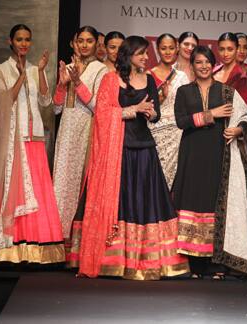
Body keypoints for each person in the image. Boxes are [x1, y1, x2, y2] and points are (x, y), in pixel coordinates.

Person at [75, 36, 189, 280]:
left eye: (146, 54)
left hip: (144, 148)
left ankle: (148, 260)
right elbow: (102, 114)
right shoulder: (110, 79)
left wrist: (151, 111)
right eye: (141, 54)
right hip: (120, 151)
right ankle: (115, 260)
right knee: (123, 204)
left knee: (146, 204)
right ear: (128, 55)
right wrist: (132, 110)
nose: (146, 58)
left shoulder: (148, 79)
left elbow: (155, 116)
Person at [0, 24, 65, 264]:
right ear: (11, 41)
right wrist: (22, 75)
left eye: (27, 40)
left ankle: (36, 247)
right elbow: (1, 103)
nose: (24, 44)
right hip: (12, 138)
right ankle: (8, 245)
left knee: (37, 191)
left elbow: (46, 101)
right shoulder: (0, 70)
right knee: (11, 190)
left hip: (34, 136)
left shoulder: (36, 69)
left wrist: (41, 72)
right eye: (19, 39)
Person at [173, 45, 247, 279]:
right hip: (192, 153)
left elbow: (246, 118)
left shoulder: (226, 91)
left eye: (207, 62)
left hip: (218, 154)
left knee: (214, 202)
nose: (203, 66)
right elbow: (181, 121)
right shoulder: (184, 92)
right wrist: (212, 114)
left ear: (213, 64)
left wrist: (239, 130)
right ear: (192, 65)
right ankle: (193, 263)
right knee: (192, 199)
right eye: (198, 62)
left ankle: (215, 264)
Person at [53, 26, 108, 248]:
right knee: (61, 181)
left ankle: (77, 242)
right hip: (66, 131)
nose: (85, 45)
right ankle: (58, 238)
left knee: (79, 182)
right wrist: (62, 84)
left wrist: (77, 82)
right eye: (81, 41)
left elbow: (97, 106)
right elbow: (56, 109)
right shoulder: (68, 67)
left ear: (97, 44)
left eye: (89, 41)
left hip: (86, 131)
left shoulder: (101, 70)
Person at [147, 33, 189, 189]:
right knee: (153, 173)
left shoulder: (182, 76)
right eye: (163, 48)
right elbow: (146, 106)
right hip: (154, 131)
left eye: (171, 48)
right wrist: (162, 98)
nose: (167, 52)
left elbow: (187, 105)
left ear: (177, 48)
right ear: (157, 49)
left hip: (176, 133)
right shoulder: (148, 75)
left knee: (174, 176)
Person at [213, 32, 247, 106]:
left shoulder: (241, 78)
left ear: (236, 50)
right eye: (222, 49)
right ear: (217, 50)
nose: (225, 54)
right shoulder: (213, 72)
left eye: (230, 49)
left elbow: (244, 109)